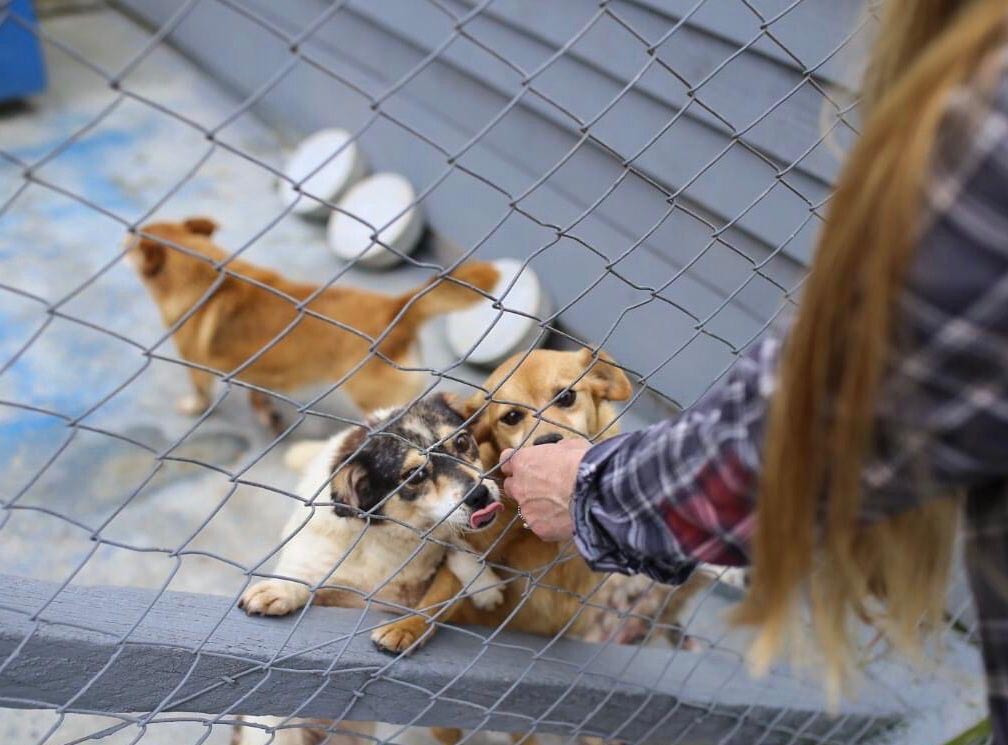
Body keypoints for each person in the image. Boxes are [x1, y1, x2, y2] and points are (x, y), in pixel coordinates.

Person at [497, 0, 1008, 740]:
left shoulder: (987, 127)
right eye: (514, 417)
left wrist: (588, 486)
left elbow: (786, 444)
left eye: (566, 397)